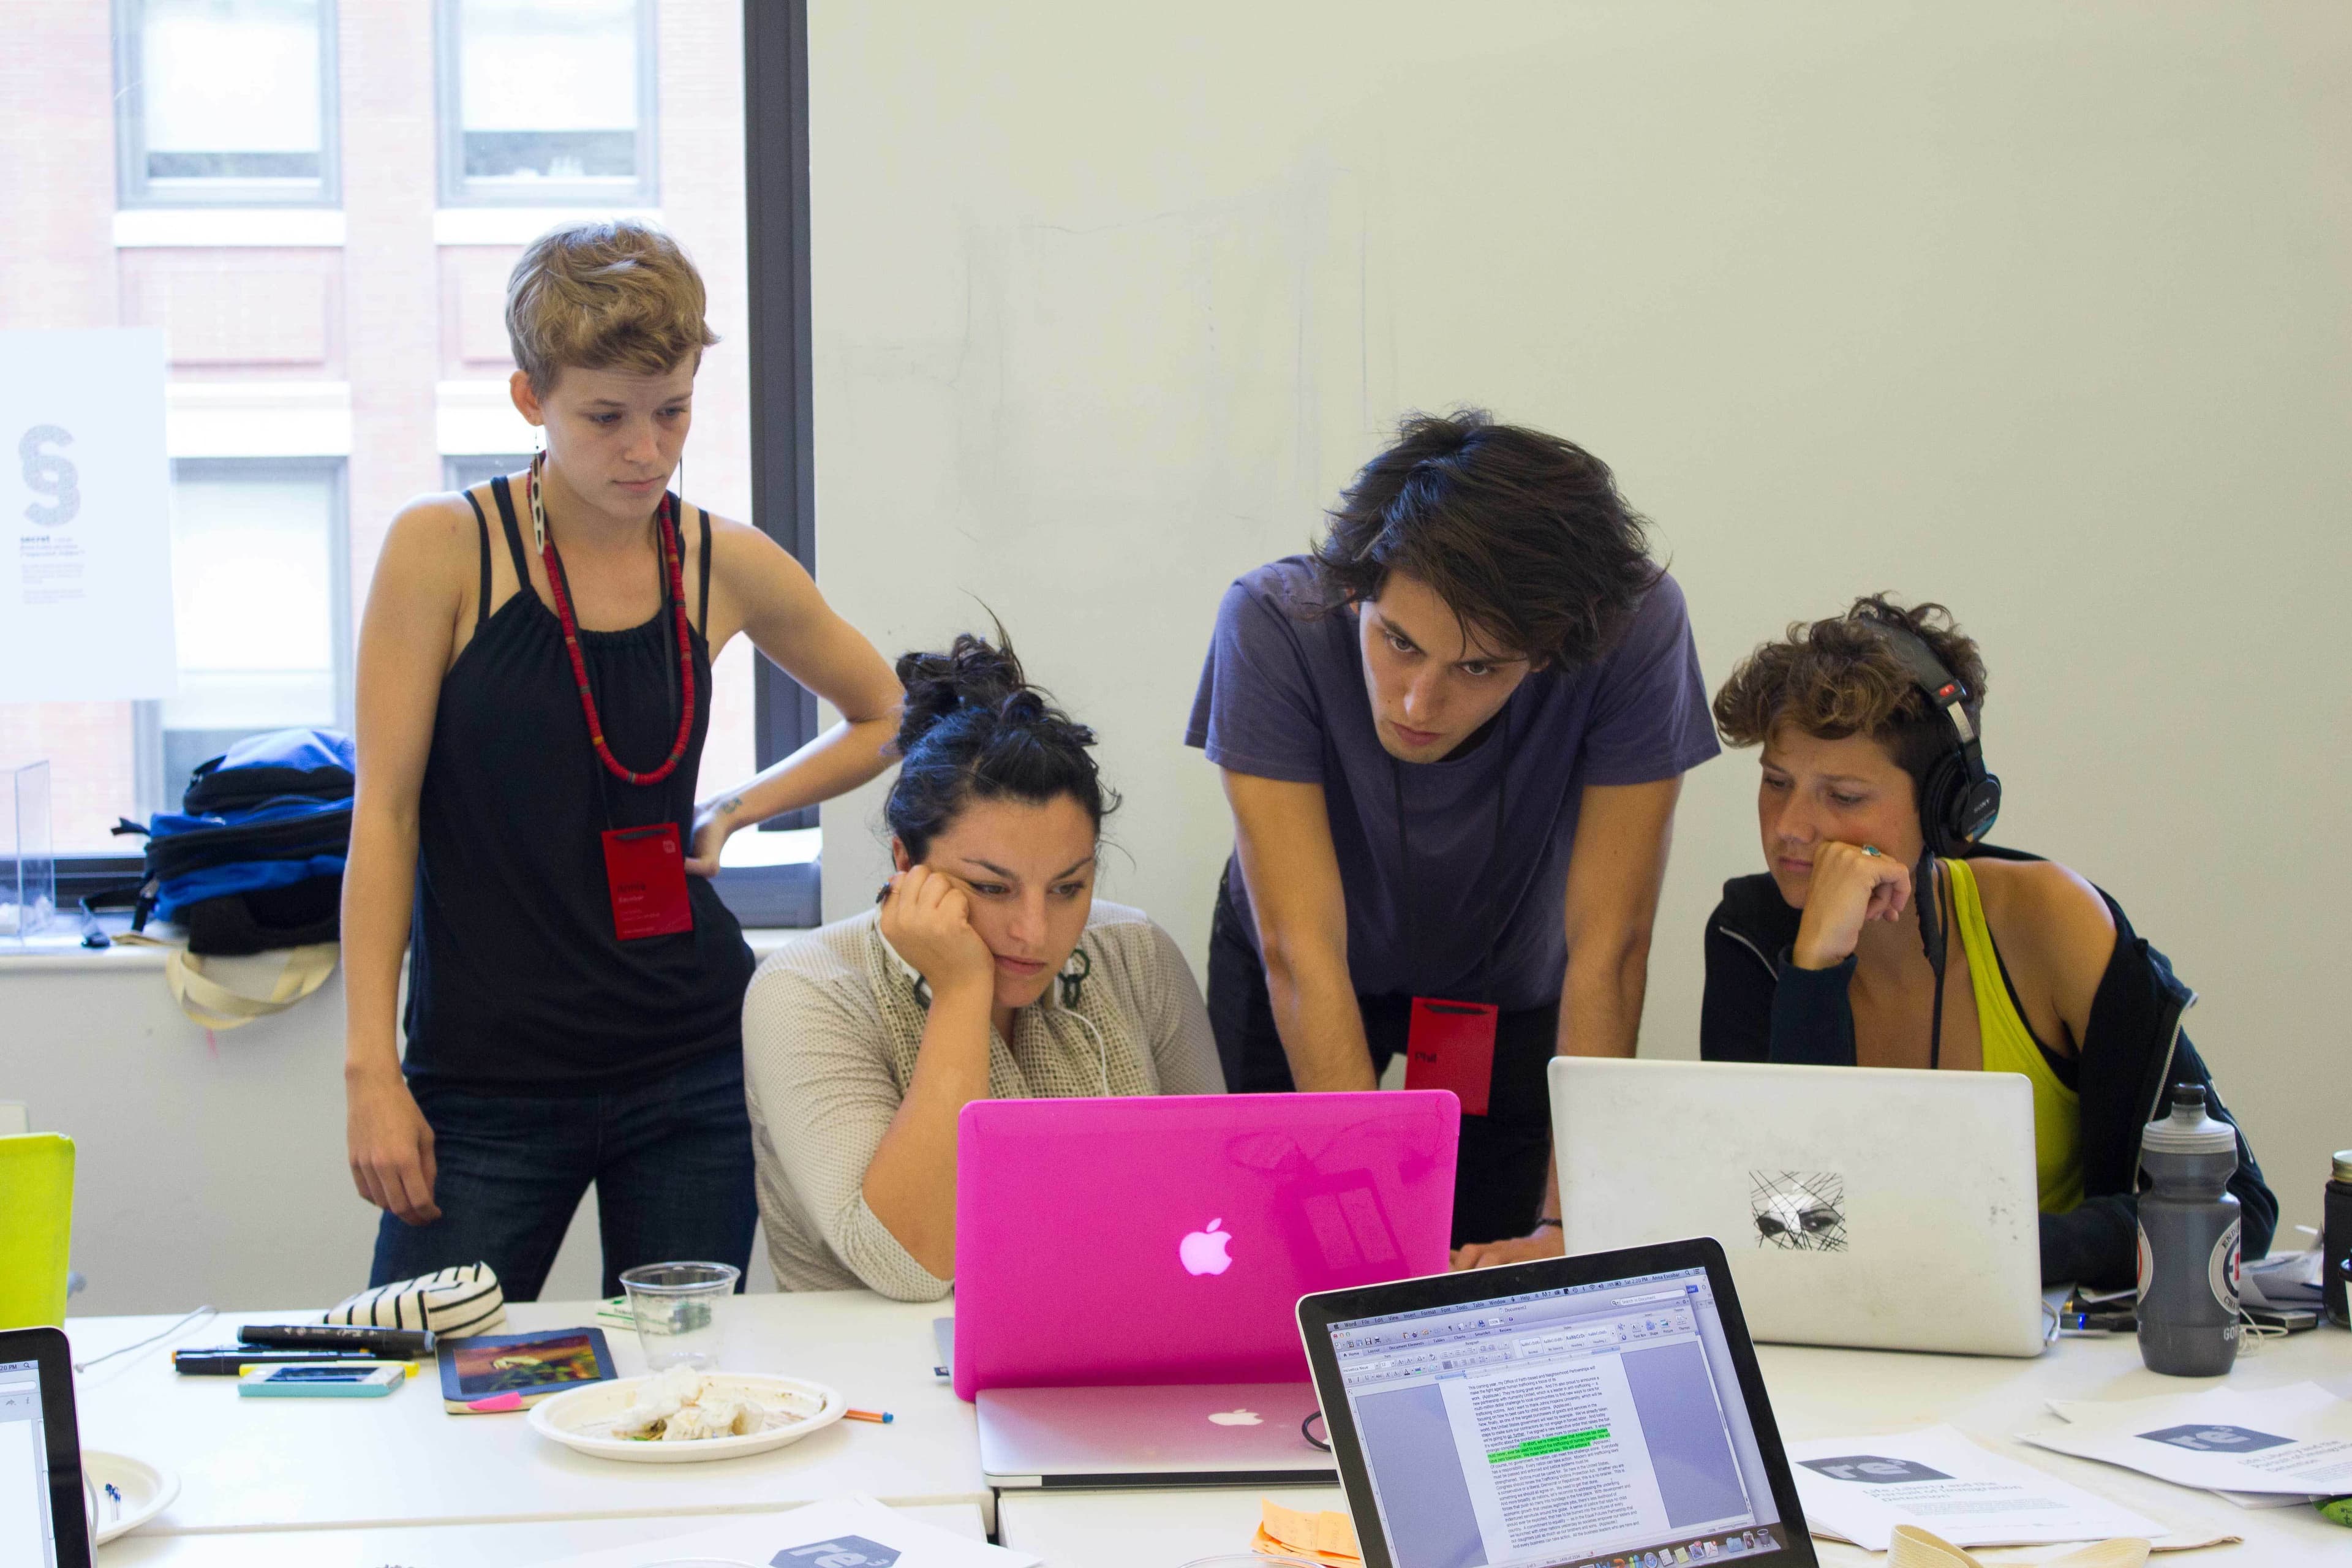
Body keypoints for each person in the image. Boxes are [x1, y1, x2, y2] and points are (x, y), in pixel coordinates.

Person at [343, 221, 903, 1299]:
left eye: (672, 412)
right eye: (604, 417)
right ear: (529, 400)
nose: (644, 450)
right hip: (484, 1083)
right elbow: (388, 815)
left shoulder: (721, 560)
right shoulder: (443, 549)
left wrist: (739, 807)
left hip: (691, 1066)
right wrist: (370, 1066)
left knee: (676, 1401)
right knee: (414, 1387)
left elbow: (885, 713)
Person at [1186, 410, 1720, 1266]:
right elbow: (1300, 950)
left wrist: (1564, 1229)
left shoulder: (1635, 627)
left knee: (1491, 1257)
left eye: (1479, 668)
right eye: (1398, 642)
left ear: (1550, 652)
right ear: (1357, 588)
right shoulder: (1271, 620)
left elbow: (1610, 946)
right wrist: (1364, 1232)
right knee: (1293, 1250)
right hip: (1303, 952)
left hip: (1504, 974)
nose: (1416, 704)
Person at [1700, 595, 2277, 1288]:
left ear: (1949, 810)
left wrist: (1994, 1252)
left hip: (2068, 1357)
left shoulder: (2047, 920)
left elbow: (2235, 1205)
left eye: (1844, 797)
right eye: (1776, 782)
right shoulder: (1752, 935)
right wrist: (1815, 966)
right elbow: (1789, 1229)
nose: (1792, 827)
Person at [741, 633, 1225, 1300]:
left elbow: (1220, 1202)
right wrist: (962, 991)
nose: (1034, 931)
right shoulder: (808, 991)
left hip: (1099, 1348)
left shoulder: (1135, 953)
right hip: (873, 1380)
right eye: (992, 888)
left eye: (1068, 887)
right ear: (905, 864)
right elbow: (909, 1264)